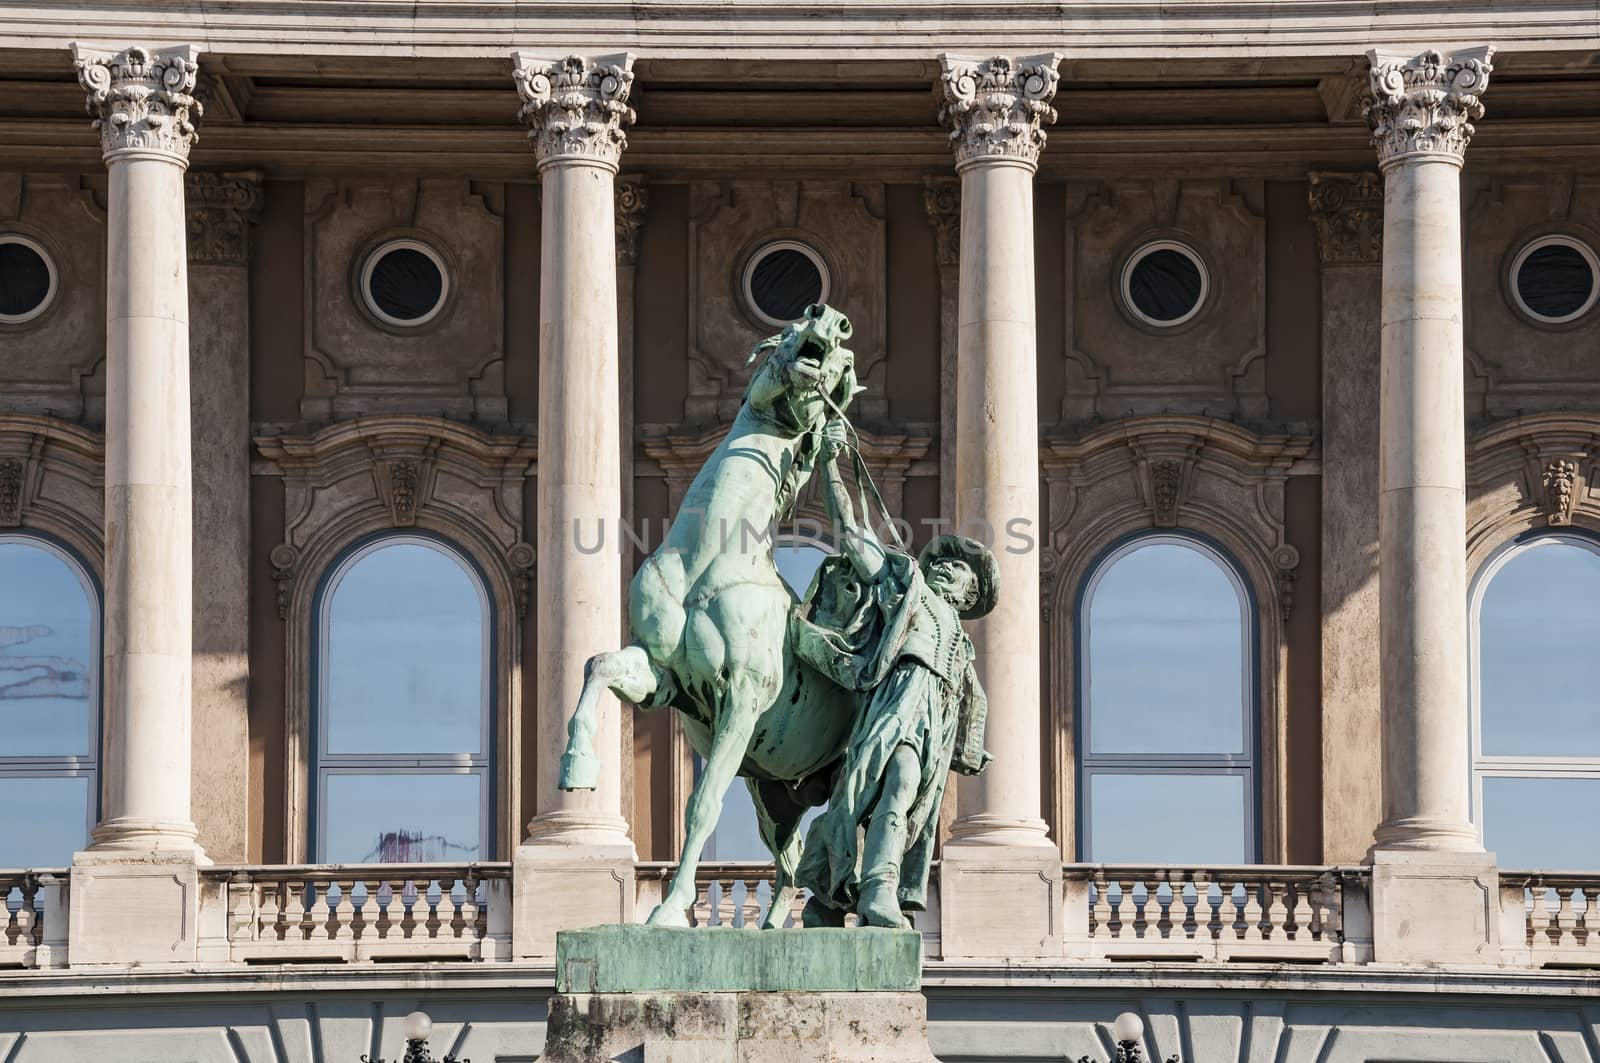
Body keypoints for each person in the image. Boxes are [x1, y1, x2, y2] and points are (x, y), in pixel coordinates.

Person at [791, 420, 997, 928]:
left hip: (936, 719)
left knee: (910, 808)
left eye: (957, 568)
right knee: (891, 782)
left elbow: (971, 708)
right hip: (899, 697)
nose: (945, 566)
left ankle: (832, 897)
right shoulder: (910, 592)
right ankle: (877, 889)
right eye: (942, 562)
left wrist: (971, 744)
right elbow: (855, 536)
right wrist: (831, 467)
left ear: (969, 595)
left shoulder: (964, 648)